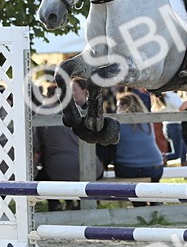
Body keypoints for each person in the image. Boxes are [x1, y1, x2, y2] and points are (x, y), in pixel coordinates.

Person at [35, 78, 102, 210]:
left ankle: (55, 204)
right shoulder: (85, 111)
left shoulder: (44, 113)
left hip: (58, 170)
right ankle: (79, 203)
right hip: (93, 169)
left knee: (46, 172)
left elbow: (38, 143)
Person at [112, 93, 165, 182]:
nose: (117, 110)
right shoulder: (147, 121)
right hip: (156, 167)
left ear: (125, 106)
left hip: (128, 168)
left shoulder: (118, 123)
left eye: (118, 106)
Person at [159, 90, 187, 165]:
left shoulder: (165, 96)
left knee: (183, 151)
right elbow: (181, 107)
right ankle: (158, 158)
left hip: (168, 126)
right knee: (177, 154)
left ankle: (186, 174)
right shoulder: (171, 95)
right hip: (174, 126)